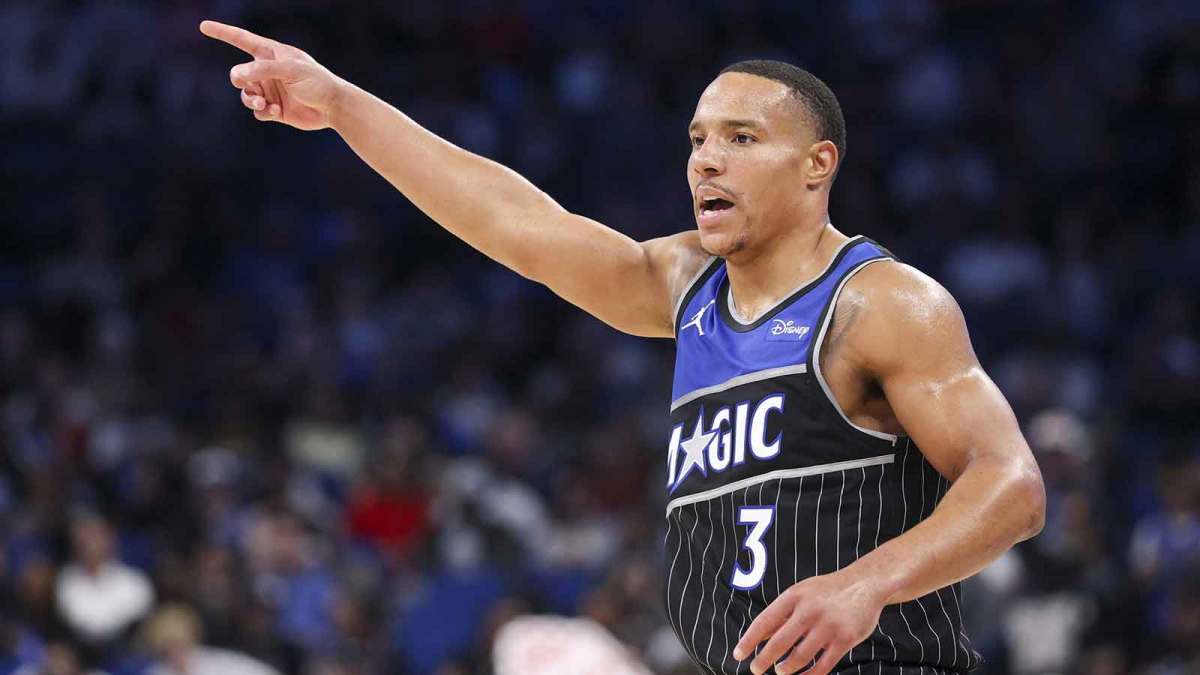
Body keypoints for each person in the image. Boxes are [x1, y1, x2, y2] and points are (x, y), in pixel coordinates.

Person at [199, 20, 1046, 675]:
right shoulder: (685, 286)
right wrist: (343, 105)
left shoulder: (881, 301)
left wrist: (866, 583)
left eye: (741, 138)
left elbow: (1012, 486)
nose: (707, 161)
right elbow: (516, 223)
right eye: (698, 140)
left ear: (817, 164)